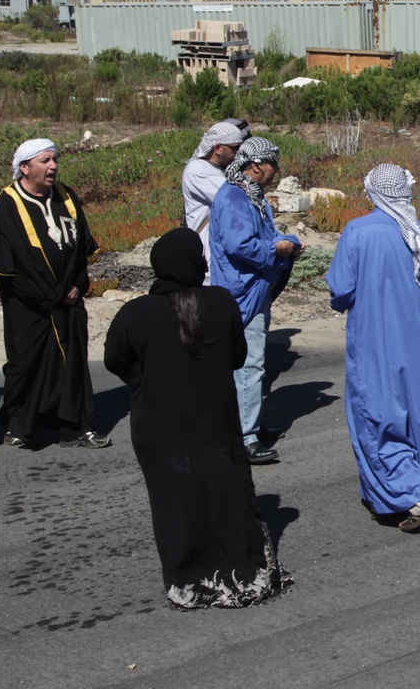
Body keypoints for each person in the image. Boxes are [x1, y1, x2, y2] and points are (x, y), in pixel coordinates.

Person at [104, 228, 289, 610]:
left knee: (174, 503)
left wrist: (147, 378)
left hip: (158, 426)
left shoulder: (135, 313)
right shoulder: (221, 303)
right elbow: (237, 356)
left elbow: (115, 361)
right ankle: (237, 571)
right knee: (225, 493)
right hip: (214, 420)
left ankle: (187, 579)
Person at [326, 163, 420, 532]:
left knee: (376, 417)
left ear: (372, 191)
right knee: (415, 416)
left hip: (374, 340)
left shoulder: (357, 231)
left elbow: (341, 290)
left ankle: (414, 493)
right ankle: (390, 499)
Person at [0, 138, 110, 449]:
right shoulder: (5, 202)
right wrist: (42, 295)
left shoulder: (66, 196)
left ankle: (76, 428)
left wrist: (77, 285)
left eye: (54, 159)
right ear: (25, 168)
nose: (53, 166)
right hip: (28, 304)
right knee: (27, 366)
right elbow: (8, 261)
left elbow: (81, 248)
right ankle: (20, 425)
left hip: (68, 298)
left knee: (74, 364)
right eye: (45, 161)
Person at [209, 137, 302, 464]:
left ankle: (250, 424)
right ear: (257, 165)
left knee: (251, 363)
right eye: (273, 164)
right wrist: (277, 250)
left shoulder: (250, 195)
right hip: (241, 293)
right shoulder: (235, 198)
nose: (276, 171)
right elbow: (240, 246)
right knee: (249, 365)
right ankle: (245, 437)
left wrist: (285, 241)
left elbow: (260, 236)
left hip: (253, 290)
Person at [182, 120, 251, 284]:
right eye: (234, 148)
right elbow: (237, 198)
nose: (238, 154)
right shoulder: (198, 170)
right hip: (209, 258)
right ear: (218, 148)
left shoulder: (218, 170)